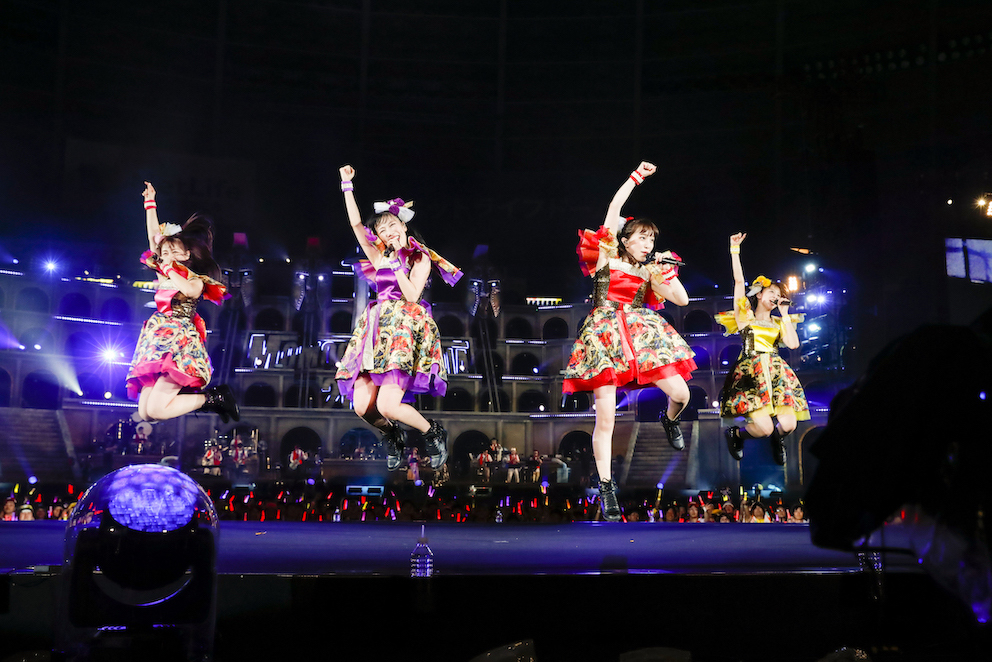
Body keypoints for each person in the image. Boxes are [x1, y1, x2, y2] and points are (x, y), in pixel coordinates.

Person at [562, 162, 696, 521]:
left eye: (652, 239)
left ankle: (669, 420)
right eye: (642, 237)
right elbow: (614, 207)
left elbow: (682, 300)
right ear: (625, 240)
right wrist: (636, 177)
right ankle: (606, 487)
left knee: (682, 394)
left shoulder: (650, 270)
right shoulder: (607, 254)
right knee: (605, 418)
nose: (648, 244)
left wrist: (665, 270)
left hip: (641, 336)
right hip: (604, 335)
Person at [334, 165, 461, 472]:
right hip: (375, 330)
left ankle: (432, 432)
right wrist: (347, 185)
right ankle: (392, 434)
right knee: (361, 406)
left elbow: (413, 295)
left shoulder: (420, 257)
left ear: (403, 226)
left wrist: (395, 268)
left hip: (404, 330)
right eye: (382, 230)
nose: (388, 232)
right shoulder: (379, 256)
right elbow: (355, 224)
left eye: (392, 225)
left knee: (388, 405)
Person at [126, 182, 239, 423]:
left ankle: (214, 398)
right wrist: (150, 203)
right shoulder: (165, 273)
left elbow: (188, 290)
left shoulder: (197, 280)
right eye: (164, 253)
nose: (166, 257)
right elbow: (153, 237)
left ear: (187, 254)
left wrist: (167, 267)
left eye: (173, 252)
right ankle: (209, 400)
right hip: (156, 340)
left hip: (180, 342)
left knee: (156, 410)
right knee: (146, 413)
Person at [715, 233, 809, 466]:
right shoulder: (745, 317)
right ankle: (737, 435)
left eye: (779, 295)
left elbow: (793, 344)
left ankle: (779, 439)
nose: (776, 297)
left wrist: (785, 315)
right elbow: (739, 283)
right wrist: (734, 250)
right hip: (752, 373)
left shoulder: (779, 321)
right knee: (764, 429)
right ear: (759, 294)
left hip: (777, 373)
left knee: (789, 425)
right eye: (772, 293)